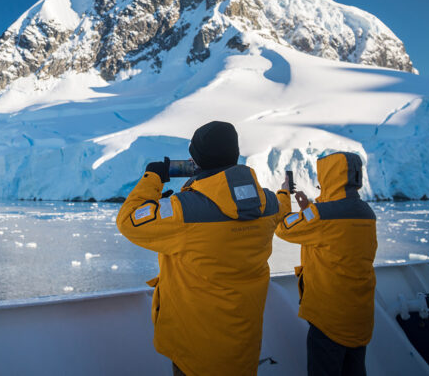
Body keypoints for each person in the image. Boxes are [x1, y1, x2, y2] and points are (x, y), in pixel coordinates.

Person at [116, 121, 290, 376]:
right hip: (244, 346)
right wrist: (285, 193)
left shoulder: (183, 210)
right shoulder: (268, 205)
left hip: (196, 351)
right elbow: (283, 207)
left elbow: (129, 220)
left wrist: (152, 178)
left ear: (196, 162)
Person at [275, 152, 377, 376]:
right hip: (359, 315)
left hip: (329, 320)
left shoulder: (321, 216)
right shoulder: (366, 213)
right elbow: (335, 238)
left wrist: (284, 193)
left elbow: (283, 227)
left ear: (330, 176)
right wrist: (308, 209)